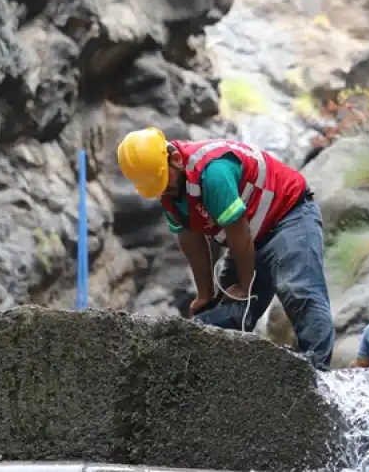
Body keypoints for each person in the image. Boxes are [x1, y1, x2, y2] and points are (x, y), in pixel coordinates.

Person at [116, 127, 336, 369]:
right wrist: (205, 294)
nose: (162, 190)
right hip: (250, 239)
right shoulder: (170, 191)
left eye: (162, 181)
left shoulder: (213, 173)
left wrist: (244, 284)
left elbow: (238, 231)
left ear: (176, 160)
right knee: (223, 317)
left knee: (298, 290)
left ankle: (319, 376)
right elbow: (191, 240)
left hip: (288, 217)